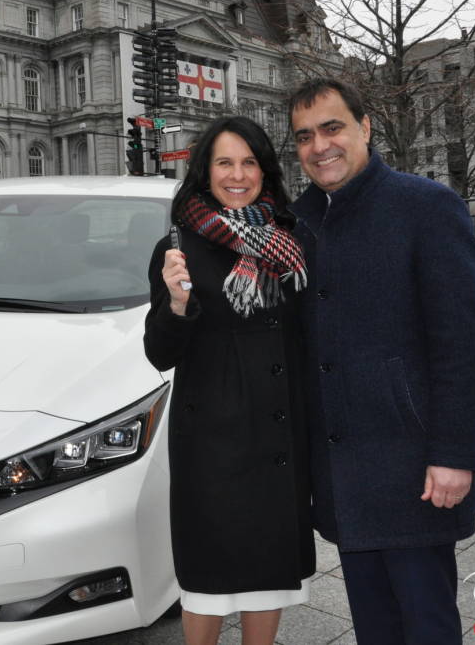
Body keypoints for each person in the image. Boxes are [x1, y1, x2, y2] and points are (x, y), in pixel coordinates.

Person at [287, 78, 475, 645]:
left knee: (426, 625)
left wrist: (453, 454)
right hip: (343, 471)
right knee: (375, 628)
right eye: (304, 136)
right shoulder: (298, 221)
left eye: (332, 128)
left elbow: (461, 344)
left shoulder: (426, 206)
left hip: (413, 467)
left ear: (365, 128)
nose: (320, 145)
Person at [143, 116, 314, 645]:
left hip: (278, 432)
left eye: (249, 162)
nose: (237, 175)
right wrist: (175, 303)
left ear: (264, 171)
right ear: (205, 171)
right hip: (212, 442)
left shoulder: (292, 240)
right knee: (209, 582)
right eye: (224, 163)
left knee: (269, 579)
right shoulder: (178, 247)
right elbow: (159, 354)